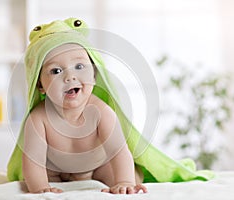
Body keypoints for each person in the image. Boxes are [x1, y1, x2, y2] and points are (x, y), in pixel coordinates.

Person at [22, 42, 147, 194]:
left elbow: (118, 150)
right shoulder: (38, 119)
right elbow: (33, 160)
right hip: (56, 172)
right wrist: (40, 188)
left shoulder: (101, 113)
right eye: (56, 71)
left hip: (98, 168)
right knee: (38, 178)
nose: (70, 77)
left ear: (94, 76)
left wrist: (125, 181)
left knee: (123, 178)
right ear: (40, 85)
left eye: (79, 67)